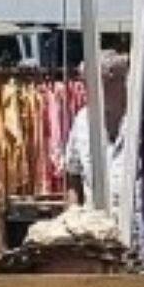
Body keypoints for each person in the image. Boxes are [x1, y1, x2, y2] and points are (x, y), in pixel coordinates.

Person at [61, 51, 129, 208]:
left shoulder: (142, 119)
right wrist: (74, 213)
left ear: (120, 82)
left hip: (136, 225)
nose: (87, 92)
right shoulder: (83, 121)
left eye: (101, 84)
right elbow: (73, 173)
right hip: (95, 223)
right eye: (86, 84)